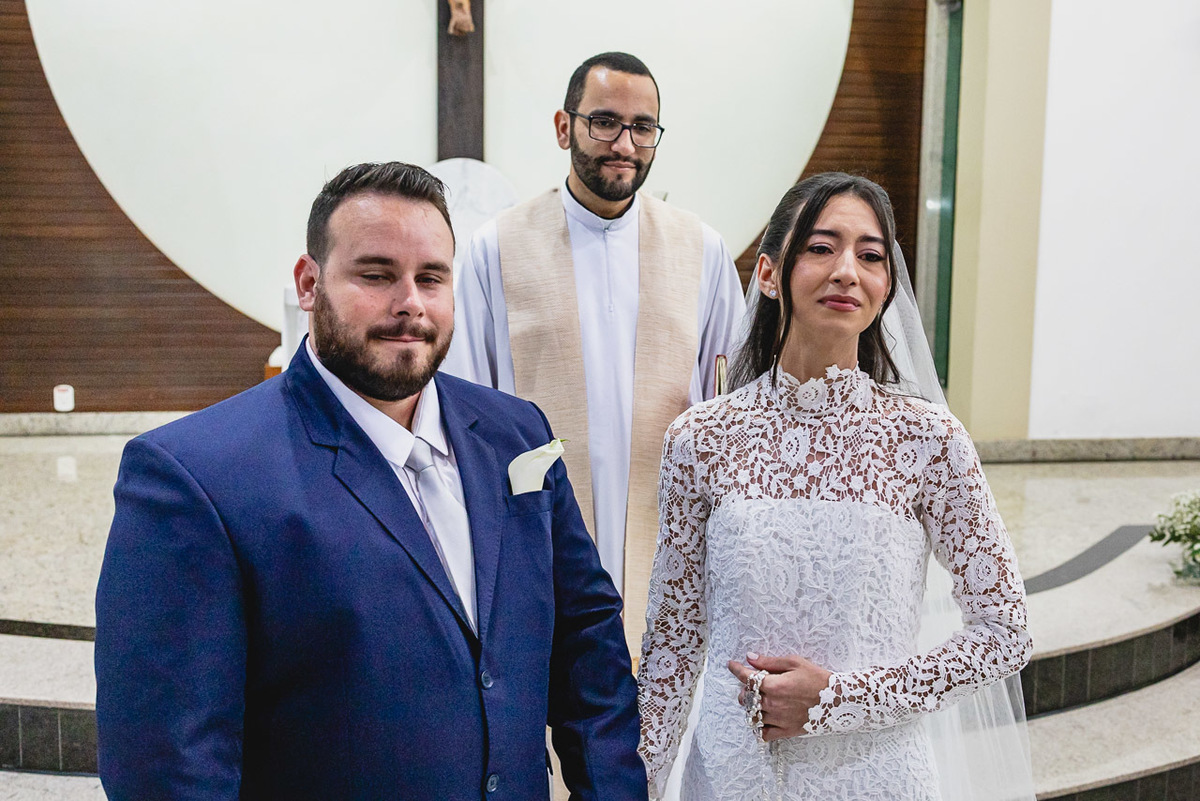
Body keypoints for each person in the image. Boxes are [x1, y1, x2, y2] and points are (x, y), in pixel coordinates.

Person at [94, 162, 647, 801]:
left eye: (431, 278)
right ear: (309, 283)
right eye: (376, 274)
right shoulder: (195, 477)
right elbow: (168, 764)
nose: (409, 301)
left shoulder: (515, 434)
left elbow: (587, 638)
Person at [636, 173, 1034, 800]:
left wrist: (841, 699)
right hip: (730, 775)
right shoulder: (699, 439)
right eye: (822, 247)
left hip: (876, 775)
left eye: (870, 256)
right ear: (769, 273)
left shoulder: (929, 440)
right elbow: (672, 643)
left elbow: (1006, 632)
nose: (847, 271)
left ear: (886, 287)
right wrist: (641, 785)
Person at [444, 52, 746, 650]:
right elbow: (465, 401)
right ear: (565, 127)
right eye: (604, 121)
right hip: (534, 528)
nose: (625, 144)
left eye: (642, 128)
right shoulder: (494, 249)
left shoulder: (702, 250)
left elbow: (731, 406)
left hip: (667, 537)